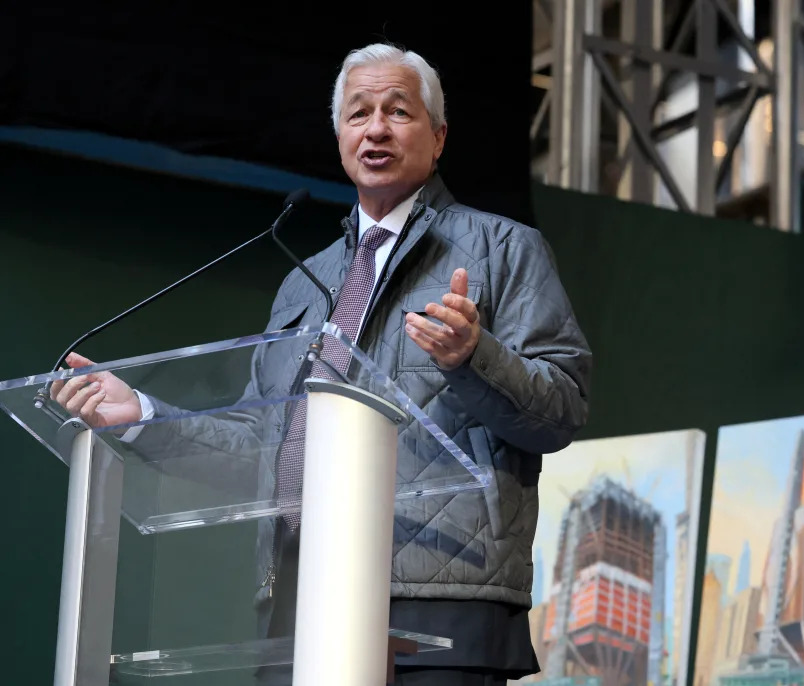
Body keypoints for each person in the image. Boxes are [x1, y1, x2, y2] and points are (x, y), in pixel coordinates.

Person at [50, 42, 592, 685]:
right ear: (339, 136)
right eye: (358, 113)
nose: (377, 128)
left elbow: (562, 408)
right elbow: (264, 450)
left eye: (399, 111)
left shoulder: (504, 250)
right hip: (301, 606)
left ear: (439, 136)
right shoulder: (304, 286)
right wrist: (141, 415)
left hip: (440, 609)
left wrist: (475, 358)